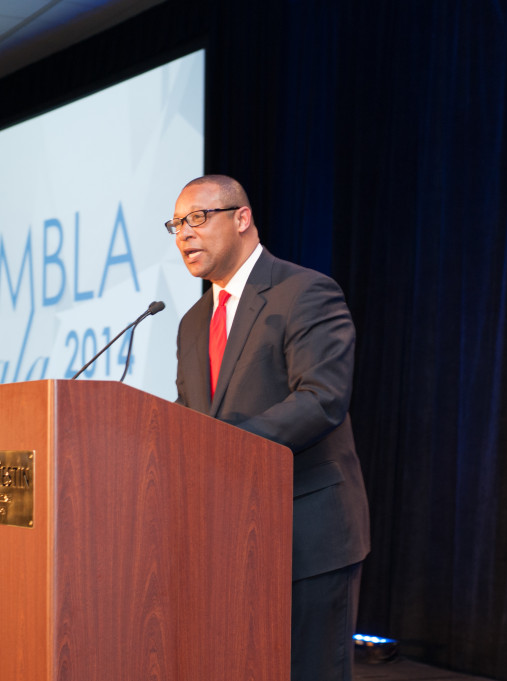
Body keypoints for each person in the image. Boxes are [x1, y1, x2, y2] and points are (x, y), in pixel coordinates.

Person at [169, 175, 370, 681]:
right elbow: (189, 414)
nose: (184, 235)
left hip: (306, 534)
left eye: (198, 218)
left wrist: (222, 445)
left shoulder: (305, 291)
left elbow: (322, 399)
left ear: (242, 218)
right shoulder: (194, 321)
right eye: (175, 225)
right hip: (227, 536)